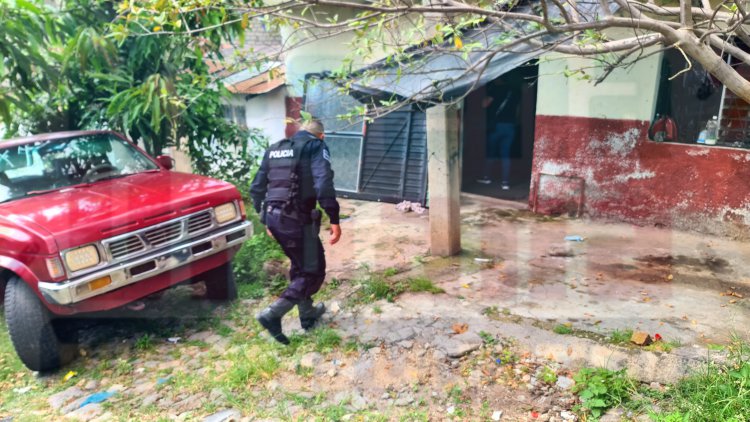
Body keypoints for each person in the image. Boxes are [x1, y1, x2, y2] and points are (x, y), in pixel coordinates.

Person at [249, 119, 342, 344]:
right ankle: (273, 313)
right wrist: (335, 218)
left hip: (275, 216)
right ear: (321, 136)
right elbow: (323, 184)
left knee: (300, 264)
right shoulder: (316, 146)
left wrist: (266, 219)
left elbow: (257, 188)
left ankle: (307, 313)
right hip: (295, 218)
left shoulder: (275, 149)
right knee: (313, 270)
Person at [477, 77, 520, 191]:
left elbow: (484, 104)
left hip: (497, 126)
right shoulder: (514, 91)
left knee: (491, 152)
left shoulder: (495, 89)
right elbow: (517, 111)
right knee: (505, 155)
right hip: (510, 126)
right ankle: (505, 183)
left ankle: (487, 177)